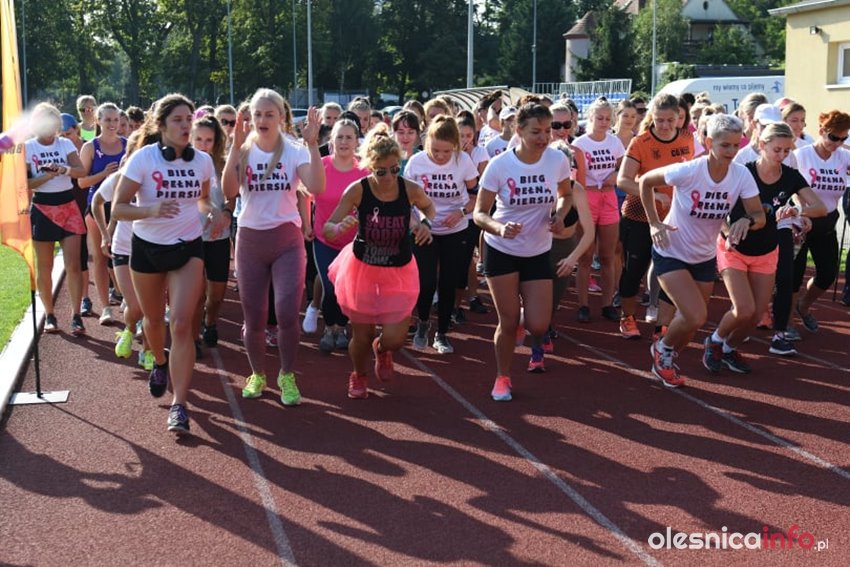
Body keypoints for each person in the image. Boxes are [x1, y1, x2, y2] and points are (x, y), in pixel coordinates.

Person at [112, 93, 222, 434]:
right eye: (178, 120)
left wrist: (212, 212)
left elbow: (202, 199)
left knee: (182, 323)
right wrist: (151, 210)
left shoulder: (202, 161)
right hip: (147, 248)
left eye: (189, 119)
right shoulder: (144, 159)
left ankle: (179, 405)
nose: (186, 126)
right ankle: (159, 361)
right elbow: (118, 208)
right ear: (161, 125)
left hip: (188, 247)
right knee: (153, 320)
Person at [639, 113, 765, 388]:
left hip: (704, 256)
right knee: (696, 315)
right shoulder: (689, 171)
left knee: (691, 325)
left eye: (735, 145)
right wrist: (654, 223)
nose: (731, 151)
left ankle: (667, 350)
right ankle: (662, 351)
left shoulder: (741, 174)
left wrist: (746, 220)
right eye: (725, 145)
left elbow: (759, 215)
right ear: (709, 143)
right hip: (671, 250)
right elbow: (645, 181)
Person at [222, 89, 326, 405]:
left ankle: (287, 375)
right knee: (254, 316)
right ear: (249, 117)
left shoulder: (294, 149)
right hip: (251, 240)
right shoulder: (243, 149)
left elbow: (317, 187)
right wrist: (234, 148)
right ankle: (257, 374)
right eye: (258, 114)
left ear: (281, 117)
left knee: (286, 312)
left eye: (269, 114)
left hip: (286, 241)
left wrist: (312, 145)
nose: (263, 120)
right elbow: (229, 191)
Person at [474, 102, 573, 401]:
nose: (543, 138)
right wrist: (499, 227)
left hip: (538, 250)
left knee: (538, 324)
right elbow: (479, 214)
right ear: (519, 131)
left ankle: (522, 315)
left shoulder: (557, 160)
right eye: (536, 132)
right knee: (506, 323)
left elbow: (566, 195)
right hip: (502, 249)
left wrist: (559, 214)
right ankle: (502, 378)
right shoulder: (500, 165)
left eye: (547, 131)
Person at [323, 134, 435, 399]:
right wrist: (338, 228)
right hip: (362, 269)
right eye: (381, 171)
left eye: (394, 169)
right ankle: (359, 375)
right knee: (361, 336)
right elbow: (328, 227)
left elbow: (429, 208)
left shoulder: (409, 189)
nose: (388, 177)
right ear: (369, 167)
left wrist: (425, 224)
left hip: (399, 270)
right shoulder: (358, 190)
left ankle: (382, 349)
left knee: (396, 338)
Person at [707, 123, 825, 369]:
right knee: (744, 309)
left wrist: (797, 210)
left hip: (767, 251)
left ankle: (728, 349)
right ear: (762, 145)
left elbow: (819, 207)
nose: (782, 155)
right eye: (777, 150)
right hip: (735, 248)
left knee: (756, 315)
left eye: (787, 150)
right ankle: (715, 341)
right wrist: (727, 232)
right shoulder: (742, 172)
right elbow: (717, 207)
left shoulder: (790, 176)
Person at [616, 93, 694, 340]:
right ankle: (628, 317)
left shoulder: (687, 138)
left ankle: (662, 326)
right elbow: (623, 181)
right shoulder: (641, 142)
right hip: (639, 216)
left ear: (679, 117)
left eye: (670, 120)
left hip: (674, 218)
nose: (665, 125)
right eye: (660, 120)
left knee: (673, 272)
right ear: (652, 117)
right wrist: (652, 193)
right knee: (634, 270)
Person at [406, 115, 479, 354]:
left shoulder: (464, 161)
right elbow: (406, 200)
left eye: (447, 152)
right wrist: (419, 223)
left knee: (449, 281)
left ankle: (442, 332)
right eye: (435, 150)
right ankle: (423, 322)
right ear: (427, 143)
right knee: (426, 282)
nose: (440, 156)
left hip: (455, 230)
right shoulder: (416, 162)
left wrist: (461, 212)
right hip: (424, 229)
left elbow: (476, 196)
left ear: (456, 146)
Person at [24, 103, 87, 335]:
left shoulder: (65, 144)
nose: (50, 130)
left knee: (73, 265)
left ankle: (76, 316)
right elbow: (26, 183)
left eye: (53, 125)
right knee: (45, 267)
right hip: (42, 208)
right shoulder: (28, 147)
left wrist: (63, 169)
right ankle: (50, 314)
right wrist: (47, 175)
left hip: (68, 205)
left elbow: (81, 171)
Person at [313, 119, 370, 352]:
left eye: (349, 137)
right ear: (331, 141)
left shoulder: (365, 170)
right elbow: (304, 194)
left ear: (357, 141)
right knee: (330, 286)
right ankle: (329, 328)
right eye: (339, 137)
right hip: (324, 238)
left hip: (354, 242)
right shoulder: (321, 165)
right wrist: (306, 223)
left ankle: (341, 326)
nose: (344, 142)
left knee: (347, 288)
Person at [792, 110, 850, 332]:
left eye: (843, 138)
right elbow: (791, 187)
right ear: (822, 131)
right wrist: (802, 210)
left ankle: (803, 305)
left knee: (827, 274)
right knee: (793, 276)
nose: (838, 143)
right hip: (801, 222)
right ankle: (786, 323)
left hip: (826, 222)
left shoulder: (843, 156)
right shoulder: (801, 155)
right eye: (834, 137)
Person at [572, 98, 625, 323]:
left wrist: (616, 175)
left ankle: (607, 304)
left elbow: (624, 168)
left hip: (609, 198)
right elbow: (577, 178)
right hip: (587, 197)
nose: (604, 122)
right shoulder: (580, 144)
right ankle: (583, 305)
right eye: (599, 118)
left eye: (607, 118)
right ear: (590, 118)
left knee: (607, 255)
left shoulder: (615, 142)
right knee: (585, 257)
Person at [78, 102, 127, 325]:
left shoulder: (128, 145)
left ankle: (127, 298)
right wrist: (104, 174)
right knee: (100, 256)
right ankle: (106, 307)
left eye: (116, 119)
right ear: (98, 121)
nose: (112, 124)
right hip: (97, 206)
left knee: (125, 254)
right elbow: (81, 182)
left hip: (122, 205)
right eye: (107, 119)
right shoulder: (90, 147)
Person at [191, 115, 234, 353]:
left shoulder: (224, 164)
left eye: (208, 140)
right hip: (191, 236)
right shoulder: (183, 164)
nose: (203, 145)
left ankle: (210, 322)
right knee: (196, 294)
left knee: (216, 294)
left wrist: (226, 212)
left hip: (218, 235)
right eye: (198, 139)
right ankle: (194, 338)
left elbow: (233, 195)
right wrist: (209, 212)